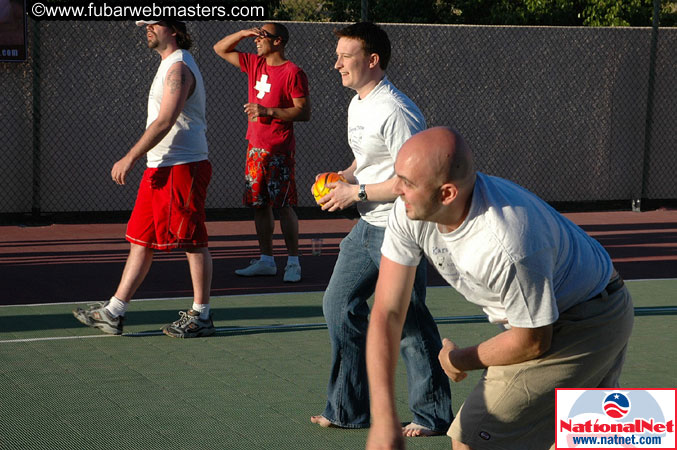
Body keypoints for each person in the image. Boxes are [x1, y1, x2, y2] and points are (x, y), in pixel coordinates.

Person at [366, 126, 635, 449]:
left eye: (407, 183)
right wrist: (383, 420)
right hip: (581, 305)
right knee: (583, 437)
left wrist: (458, 359)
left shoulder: (506, 243)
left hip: (582, 321)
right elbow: (388, 311)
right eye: (399, 177)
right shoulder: (409, 208)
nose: (396, 189)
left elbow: (532, 340)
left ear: (447, 194)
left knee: (472, 438)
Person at [310, 22, 453, 437]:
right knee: (338, 306)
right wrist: (345, 174)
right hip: (367, 226)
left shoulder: (395, 110)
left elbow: (417, 180)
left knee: (408, 322)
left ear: (372, 60)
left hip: (401, 230)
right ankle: (347, 409)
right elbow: (368, 159)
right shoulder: (359, 103)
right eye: (336, 55)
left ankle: (432, 416)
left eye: (345, 56)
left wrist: (355, 193)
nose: (336, 64)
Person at [73, 20, 215, 338]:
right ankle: (114, 311)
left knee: (192, 240)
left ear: (174, 30)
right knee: (141, 240)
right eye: (145, 24)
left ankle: (201, 315)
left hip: (183, 166)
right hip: (159, 167)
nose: (148, 29)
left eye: (155, 24)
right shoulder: (168, 65)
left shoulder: (179, 68)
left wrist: (129, 157)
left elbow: (166, 120)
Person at [213, 23, 310, 283]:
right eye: (256, 36)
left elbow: (303, 111)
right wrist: (245, 33)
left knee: (284, 206)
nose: (257, 40)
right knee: (259, 205)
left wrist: (268, 111)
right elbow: (220, 48)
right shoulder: (255, 64)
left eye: (262, 36)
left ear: (278, 42)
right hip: (254, 148)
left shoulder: (293, 72)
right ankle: (266, 260)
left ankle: (293, 262)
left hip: (279, 150)